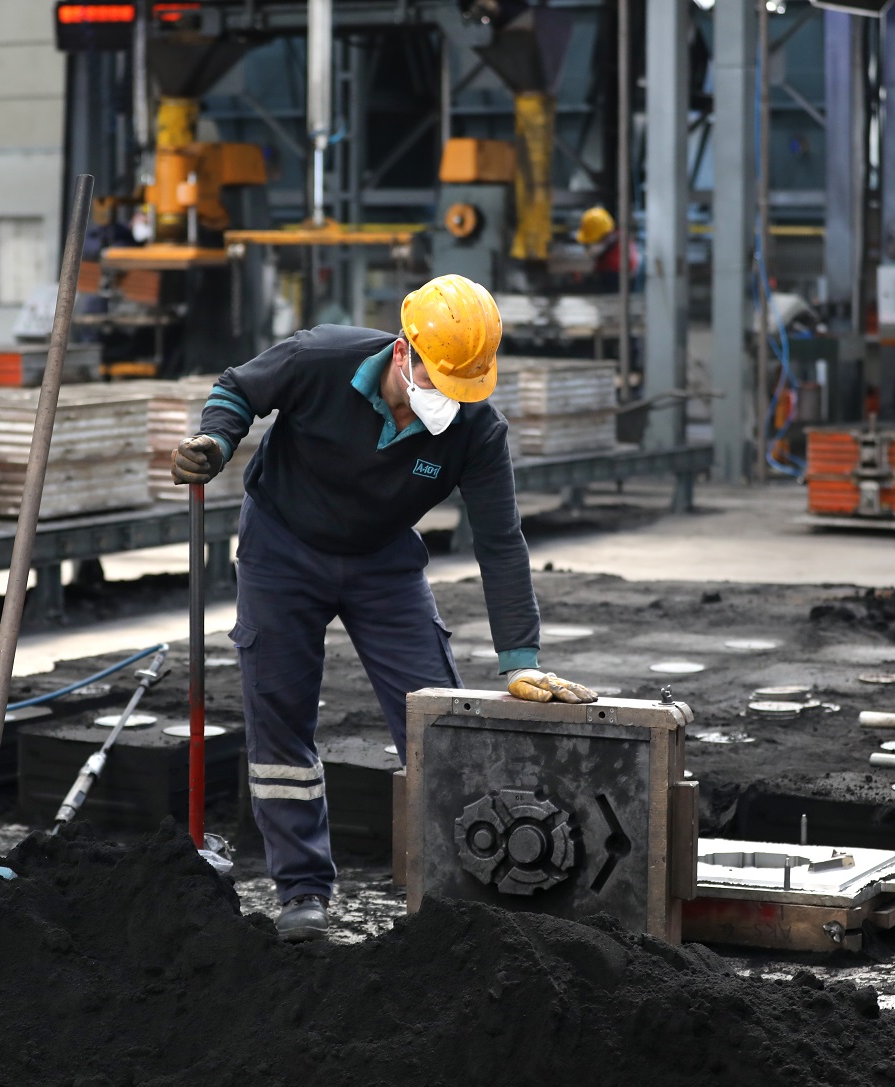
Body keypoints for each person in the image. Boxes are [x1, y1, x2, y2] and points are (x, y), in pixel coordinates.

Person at [171, 274, 597, 943]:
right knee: (280, 721)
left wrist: (520, 657)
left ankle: (464, 889)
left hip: (382, 562)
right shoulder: (321, 358)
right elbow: (238, 389)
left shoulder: (475, 429)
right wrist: (216, 443)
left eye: (464, 390)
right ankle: (303, 893)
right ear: (405, 352)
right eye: (441, 383)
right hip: (282, 547)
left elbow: (500, 541)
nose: (449, 404)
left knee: (436, 718)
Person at [575, 205, 638, 286]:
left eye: (593, 241)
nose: (589, 246)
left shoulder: (617, 242)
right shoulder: (617, 237)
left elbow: (594, 252)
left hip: (614, 282)